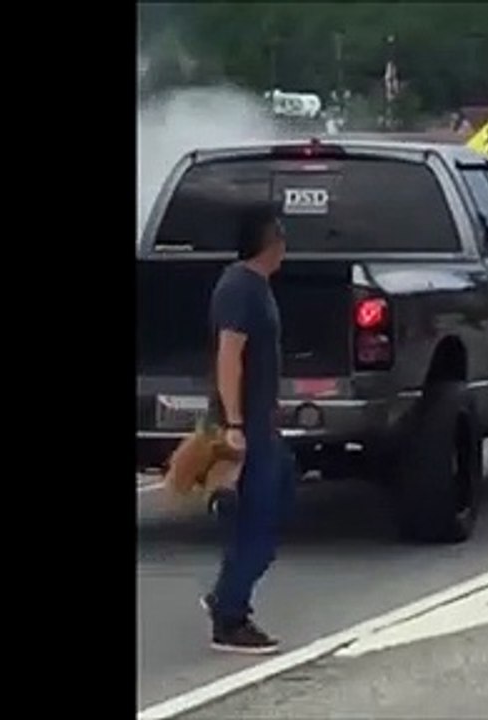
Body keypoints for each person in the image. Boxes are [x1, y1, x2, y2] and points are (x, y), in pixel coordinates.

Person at [199, 207, 293, 653]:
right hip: (246, 425)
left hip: (261, 421)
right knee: (257, 525)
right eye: (282, 235)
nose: (286, 245)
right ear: (268, 240)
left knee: (276, 503)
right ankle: (230, 617)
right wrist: (235, 425)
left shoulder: (256, 286)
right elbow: (228, 356)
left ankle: (226, 595)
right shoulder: (240, 288)